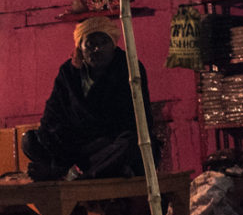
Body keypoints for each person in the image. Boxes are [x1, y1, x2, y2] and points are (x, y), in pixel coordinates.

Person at [20, 17, 161, 182]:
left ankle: (76, 175)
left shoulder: (129, 68)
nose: (97, 49)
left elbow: (136, 120)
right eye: (90, 44)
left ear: (114, 45)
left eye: (104, 42)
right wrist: (55, 143)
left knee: (131, 144)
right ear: (80, 47)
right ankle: (69, 171)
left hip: (109, 144)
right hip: (78, 146)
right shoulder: (69, 72)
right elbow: (52, 115)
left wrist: (99, 143)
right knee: (29, 140)